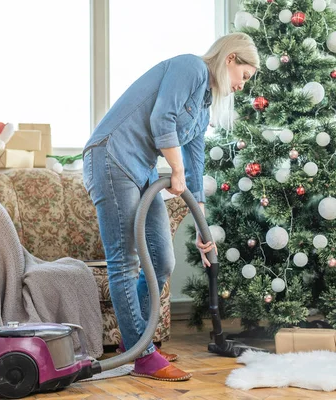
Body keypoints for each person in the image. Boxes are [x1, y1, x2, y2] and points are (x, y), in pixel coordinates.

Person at [82, 32, 260, 382]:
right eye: (245, 75)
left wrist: (201, 225)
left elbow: (195, 162)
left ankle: (135, 343)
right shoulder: (190, 67)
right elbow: (162, 119)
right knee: (126, 262)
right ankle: (142, 353)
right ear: (231, 59)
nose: (243, 85)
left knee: (163, 260)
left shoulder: (204, 105)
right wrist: (174, 170)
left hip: (144, 168)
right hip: (111, 157)